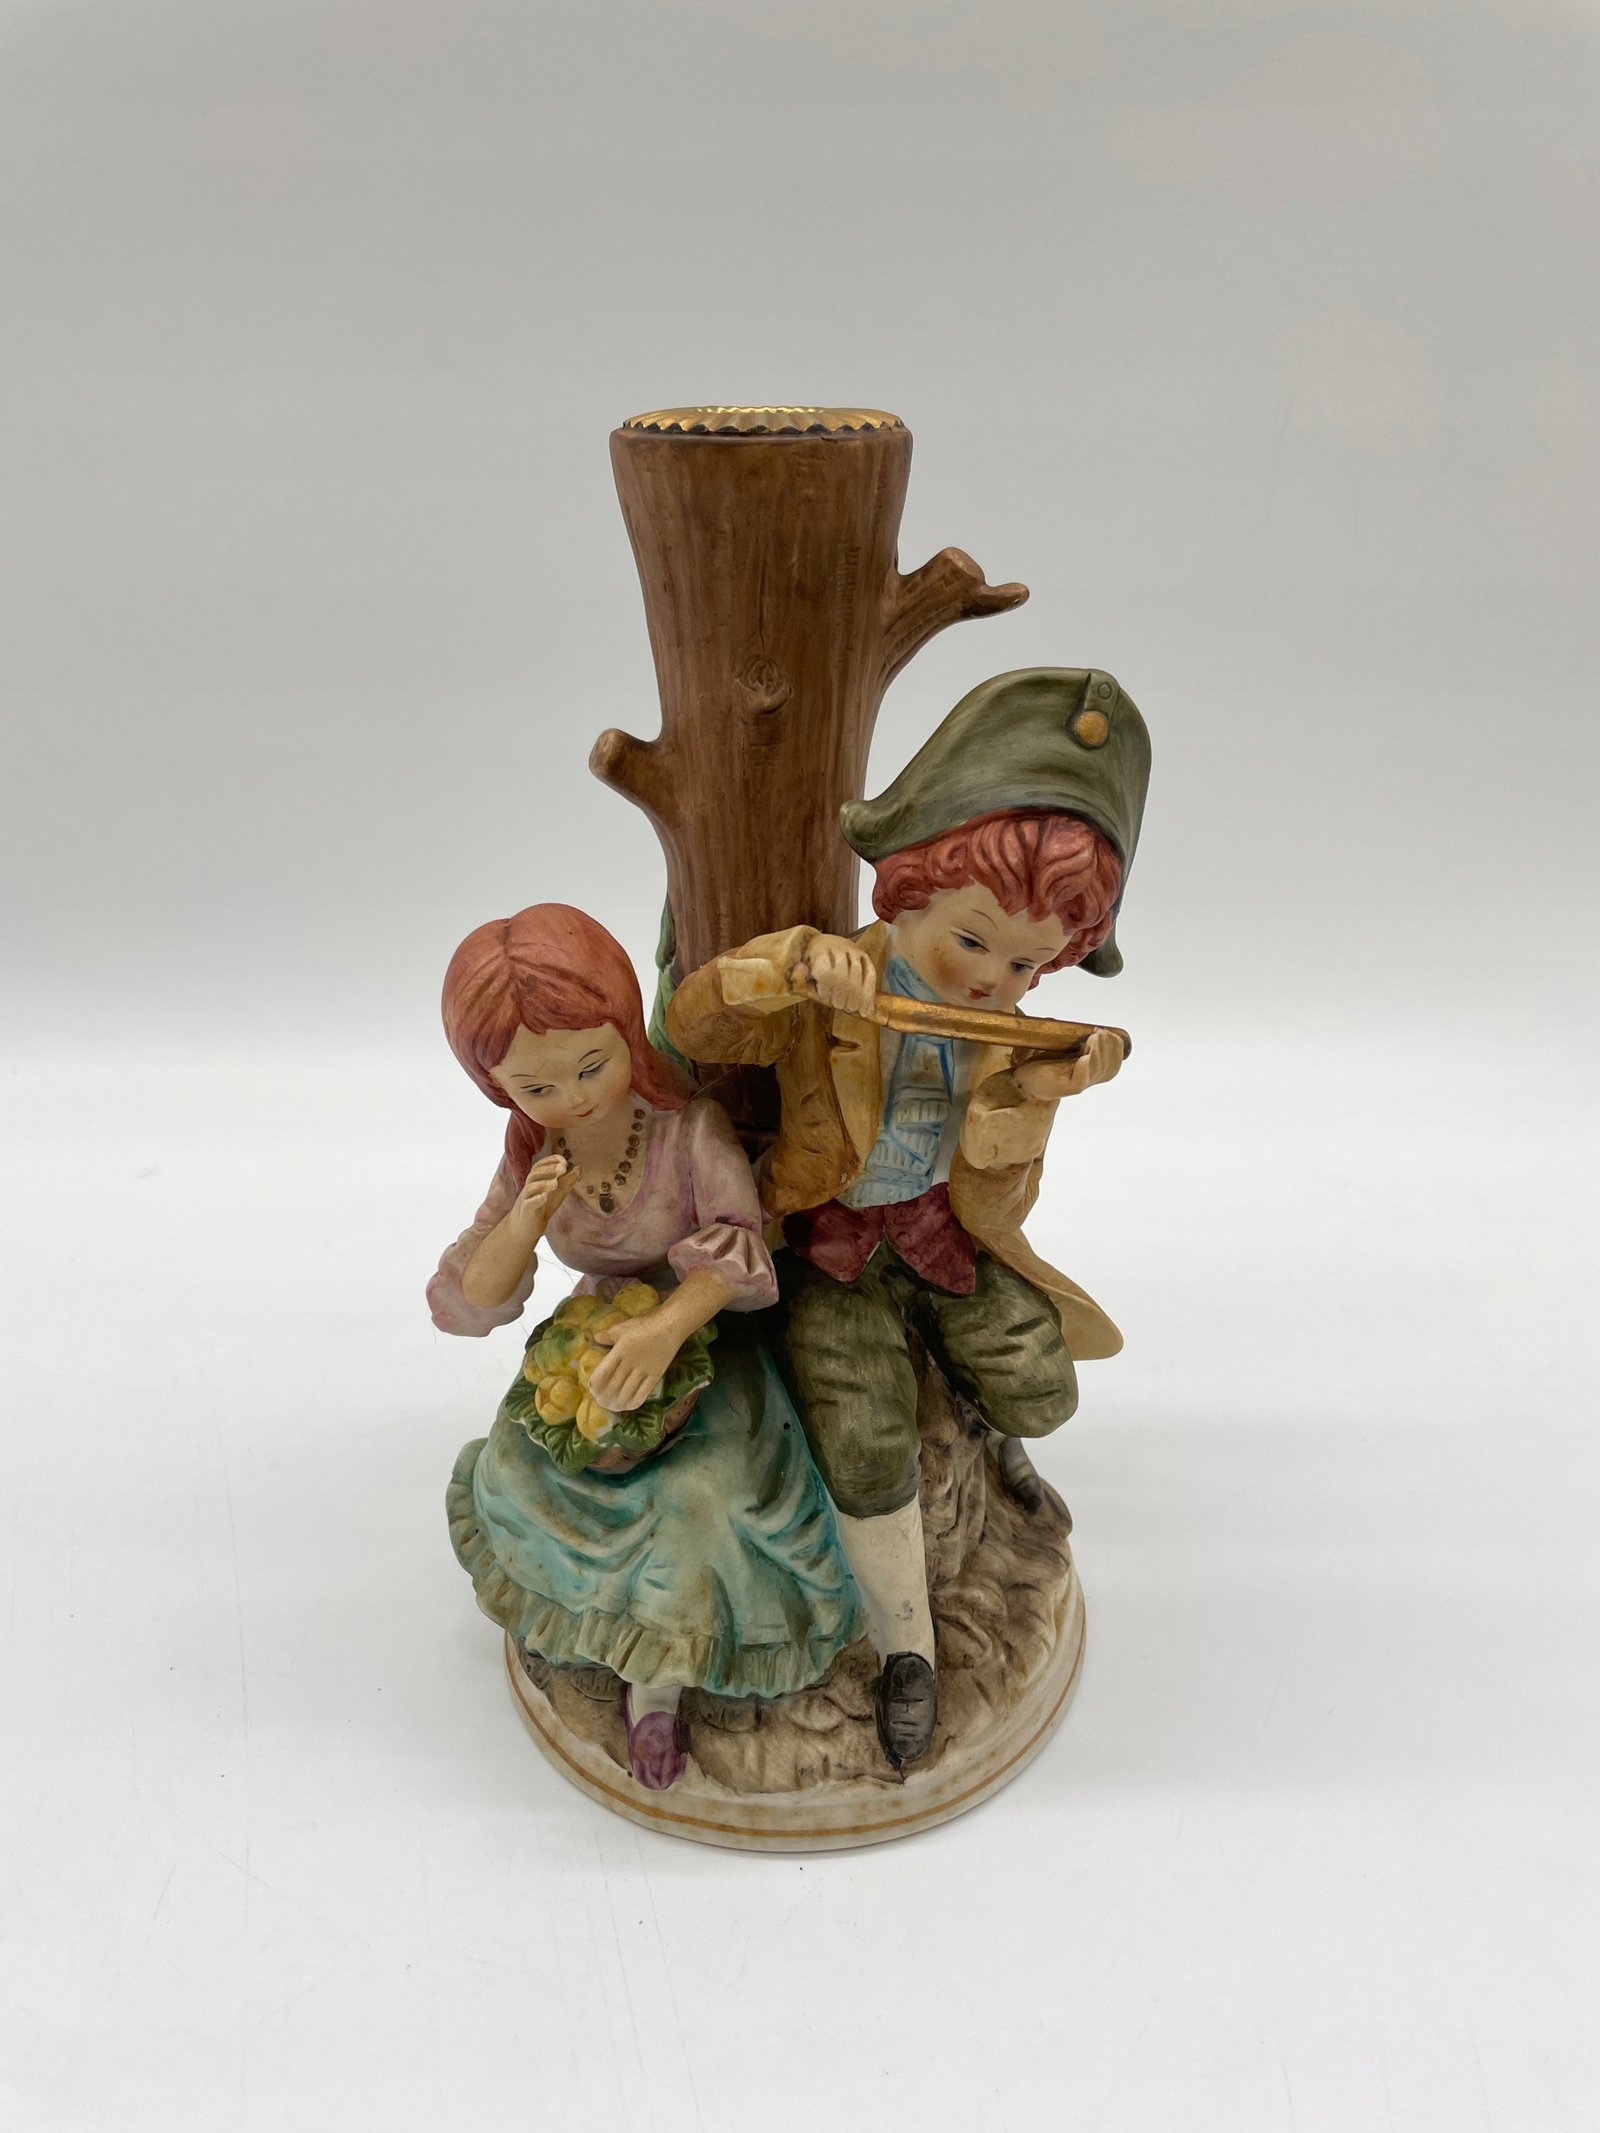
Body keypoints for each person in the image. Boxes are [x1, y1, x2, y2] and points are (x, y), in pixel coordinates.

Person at [666, 667, 1151, 1771]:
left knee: (1041, 1382)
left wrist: (1038, 1095)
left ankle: (989, 1434)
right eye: (971, 941)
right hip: (832, 1245)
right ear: (910, 887)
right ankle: (909, 1654)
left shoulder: (1009, 1035)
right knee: (868, 1445)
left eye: (1026, 962)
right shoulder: (834, 982)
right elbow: (698, 1028)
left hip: (943, 1237)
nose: (991, 979)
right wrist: (789, 966)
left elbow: (998, 1196)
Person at [428, 903, 861, 1791]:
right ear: (500, 1088)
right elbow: (473, 1302)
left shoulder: (687, 1131)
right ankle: (593, 1640)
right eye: (536, 1087)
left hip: (704, 1336)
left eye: (592, 1065)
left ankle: (658, 1693)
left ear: (627, 1032)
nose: (574, 1098)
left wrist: (666, 1330)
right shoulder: (534, 1156)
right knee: (524, 1471)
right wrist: (525, 1220)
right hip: (592, 1349)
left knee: (698, 1505)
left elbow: (740, 1245)